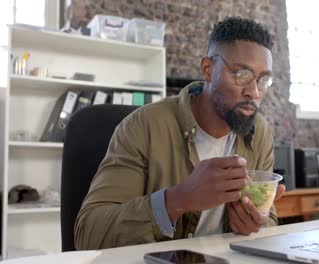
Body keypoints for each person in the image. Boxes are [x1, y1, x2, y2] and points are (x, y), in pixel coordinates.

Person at [75, 16, 286, 250]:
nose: (254, 92)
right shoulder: (142, 126)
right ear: (208, 69)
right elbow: (88, 233)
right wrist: (177, 200)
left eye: (263, 80)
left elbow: (268, 220)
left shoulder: (260, 132)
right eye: (242, 75)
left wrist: (256, 224)